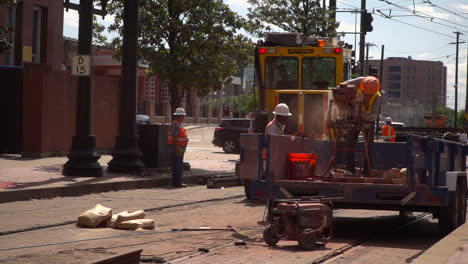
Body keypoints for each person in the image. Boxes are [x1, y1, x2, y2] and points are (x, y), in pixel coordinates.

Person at [343, 76, 382, 176]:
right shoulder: (358, 82)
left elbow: (373, 116)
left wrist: (360, 116)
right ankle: (350, 170)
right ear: (362, 86)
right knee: (349, 145)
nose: (366, 96)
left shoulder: (377, 96)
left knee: (368, 148)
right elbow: (341, 86)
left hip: (367, 121)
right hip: (353, 118)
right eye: (365, 93)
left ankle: (367, 172)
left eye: (369, 95)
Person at [168, 107, 189, 187]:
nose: (183, 117)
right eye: (182, 116)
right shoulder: (175, 124)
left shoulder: (178, 124)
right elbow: (175, 136)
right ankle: (178, 182)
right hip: (177, 148)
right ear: (179, 116)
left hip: (179, 147)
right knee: (178, 165)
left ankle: (176, 182)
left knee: (178, 165)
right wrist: (177, 147)